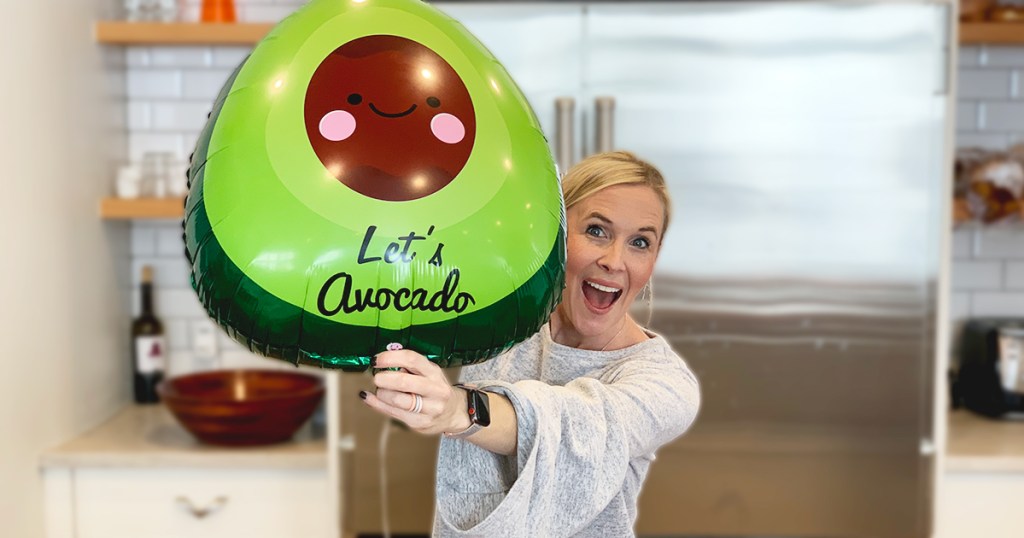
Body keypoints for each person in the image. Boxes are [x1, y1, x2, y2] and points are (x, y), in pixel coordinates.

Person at [359, 151, 701, 537]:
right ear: (556, 234)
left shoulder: (665, 384)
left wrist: (462, 410)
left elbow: (578, 423)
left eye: (640, 242)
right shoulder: (510, 321)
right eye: (596, 231)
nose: (614, 260)